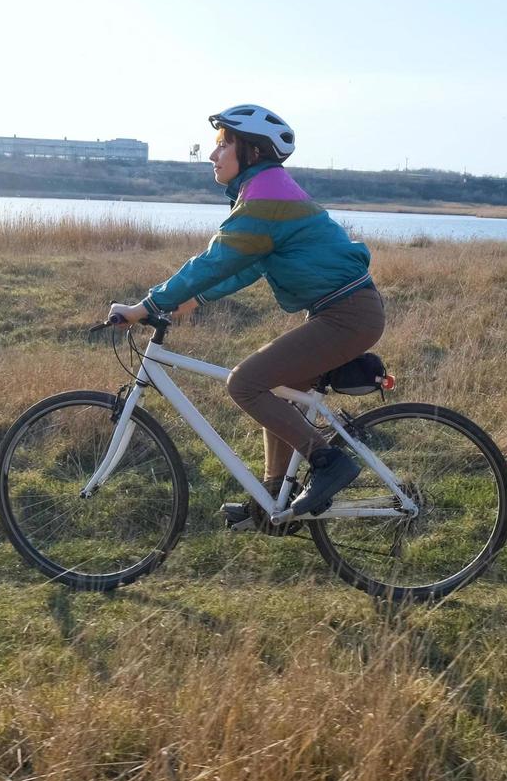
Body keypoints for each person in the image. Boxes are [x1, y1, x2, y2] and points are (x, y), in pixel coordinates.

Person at [108, 104, 384, 529]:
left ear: (251, 152)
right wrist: (191, 302)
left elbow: (214, 259)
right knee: (278, 386)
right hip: (343, 312)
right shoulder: (267, 191)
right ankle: (275, 499)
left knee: (245, 382)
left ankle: (329, 462)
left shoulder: (267, 195)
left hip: (347, 315)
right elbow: (247, 265)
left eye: (223, 144)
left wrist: (147, 305)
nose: (213, 155)